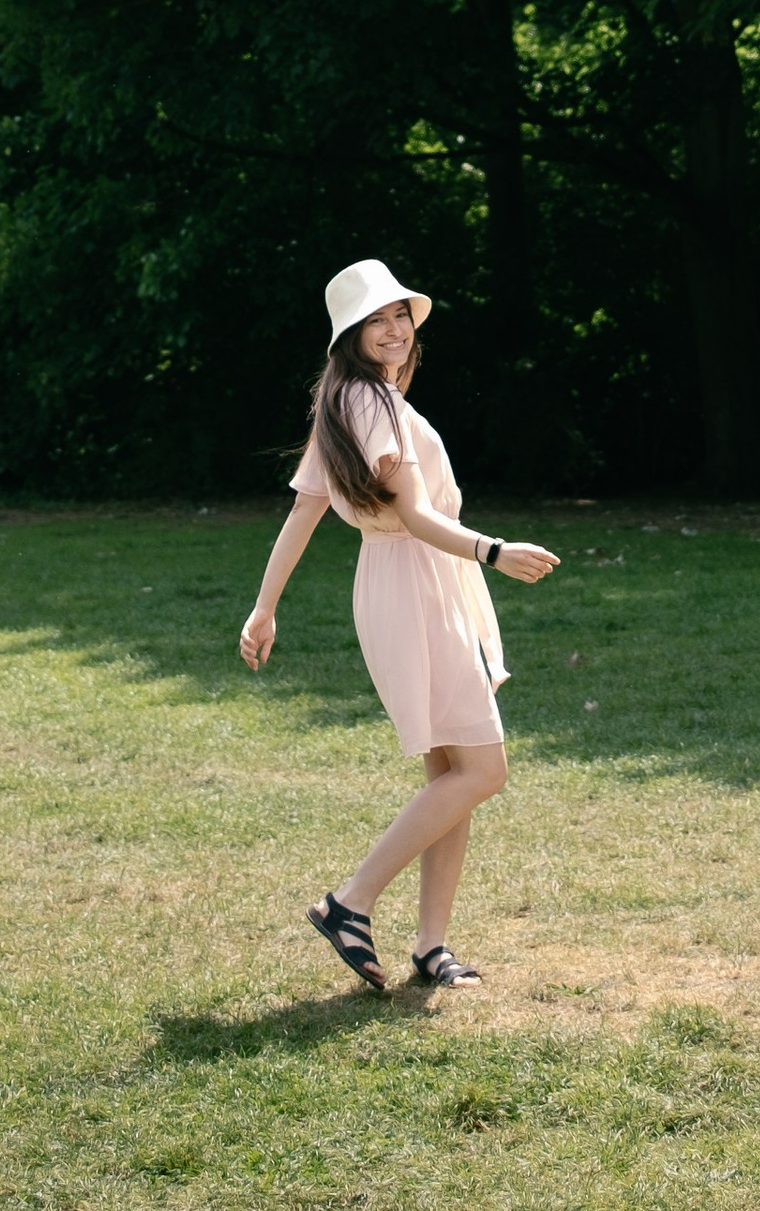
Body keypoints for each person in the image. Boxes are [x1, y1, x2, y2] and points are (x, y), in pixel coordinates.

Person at [238, 257, 559, 993]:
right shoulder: (372, 405)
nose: (393, 330)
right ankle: (349, 903)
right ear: (350, 335)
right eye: (375, 320)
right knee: (481, 770)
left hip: (397, 583)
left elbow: (303, 512)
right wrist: (495, 550)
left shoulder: (350, 401)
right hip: (414, 579)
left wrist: (264, 607)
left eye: (400, 316)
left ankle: (431, 947)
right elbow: (415, 516)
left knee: (453, 774)